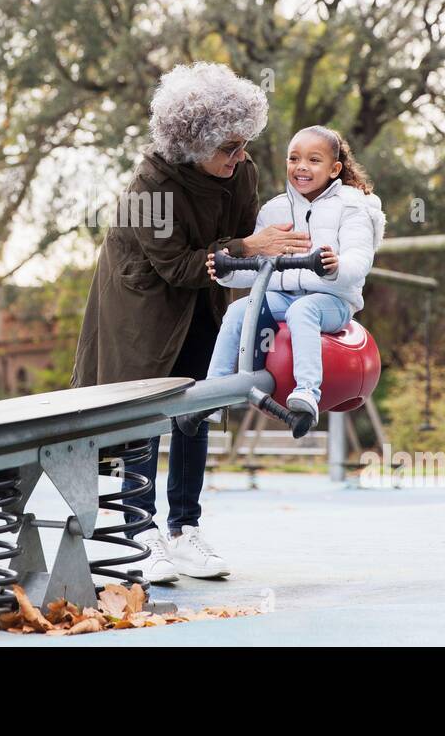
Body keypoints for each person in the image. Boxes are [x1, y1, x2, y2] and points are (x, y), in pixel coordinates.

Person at [72, 62, 310, 584]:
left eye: (243, 144)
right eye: (229, 147)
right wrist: (245, 248)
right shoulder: (149, 188)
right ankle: (140, 532)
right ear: (192, 144)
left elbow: (248, 237)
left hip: (205, 294)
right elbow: (178, 266)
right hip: (142, 302)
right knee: (146, 410)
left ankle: (185, 529)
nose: (241, 156)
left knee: (195, 408)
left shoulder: (238, 171)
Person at [198, 125, 386, 431]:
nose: (301, 167)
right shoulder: (275, 210)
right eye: (294, 158)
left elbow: (359, 259)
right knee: (239, 310)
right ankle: (214, 393)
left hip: (331, 301)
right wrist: (225, 272)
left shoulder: (352, 207)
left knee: (303, 310)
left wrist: (335, 266)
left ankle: (307, 391)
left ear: (334, 168)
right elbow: (257, 269)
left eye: (313, 160)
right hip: (281, 297)